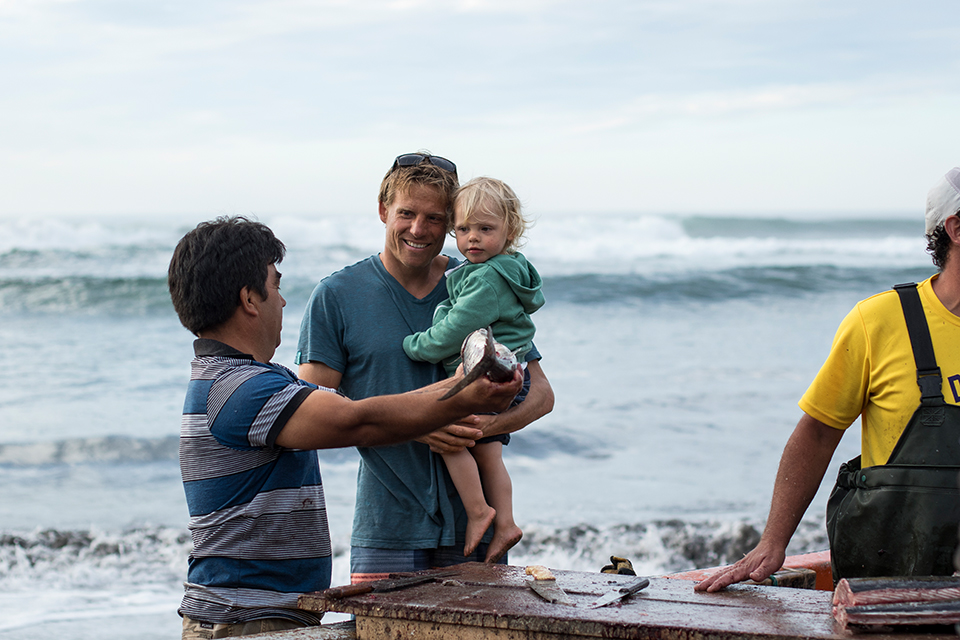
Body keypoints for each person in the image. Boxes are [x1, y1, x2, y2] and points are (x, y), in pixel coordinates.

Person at [168, 216, 523, 638]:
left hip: (259, 613)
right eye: (276, 286)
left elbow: (361, 411)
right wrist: (465, 392)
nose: (281, 303)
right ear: (249, 298)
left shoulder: (246, 380)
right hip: (242, 619)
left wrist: (458, 390)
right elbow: (360, 421)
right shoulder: (239, 389)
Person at [695, 167, 960, 593]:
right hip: (890, 580)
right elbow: (817, 433)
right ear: (956, 228)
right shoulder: (880, 322)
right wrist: (773, 542)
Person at [296, 152, 555, 585]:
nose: (419, 229)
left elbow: (542, 395)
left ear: (452, 223)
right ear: (383, 211)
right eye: (406, 213)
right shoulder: (336, 295)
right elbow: (309, 416)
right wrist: (416, 424)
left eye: (435, 218)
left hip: (479, 531)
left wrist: (477, 429)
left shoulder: (479, 281)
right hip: (387, 528)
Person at [402, 176, 544, 563]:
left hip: (486, 371)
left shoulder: (485, 278)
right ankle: (507, 523)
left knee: (451, 440)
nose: (472, 239)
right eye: (463, 229)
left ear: (509, 230)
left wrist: (416, 344)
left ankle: (479, 511)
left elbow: (454, 331)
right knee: (490, 454)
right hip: (507, 369)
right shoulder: (508, 269)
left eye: (485, 229)